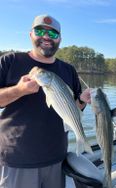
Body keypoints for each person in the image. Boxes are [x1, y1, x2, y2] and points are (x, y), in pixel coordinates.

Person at [0, 14, 90, 188]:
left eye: (53, 34)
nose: (47, 37)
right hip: (17, 159)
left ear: (60, 39)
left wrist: (82, 99)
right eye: (40, 31)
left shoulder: (68, 69)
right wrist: (19, 90)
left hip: (56, 159)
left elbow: (74, 108)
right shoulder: (9, 61)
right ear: (31, 34)